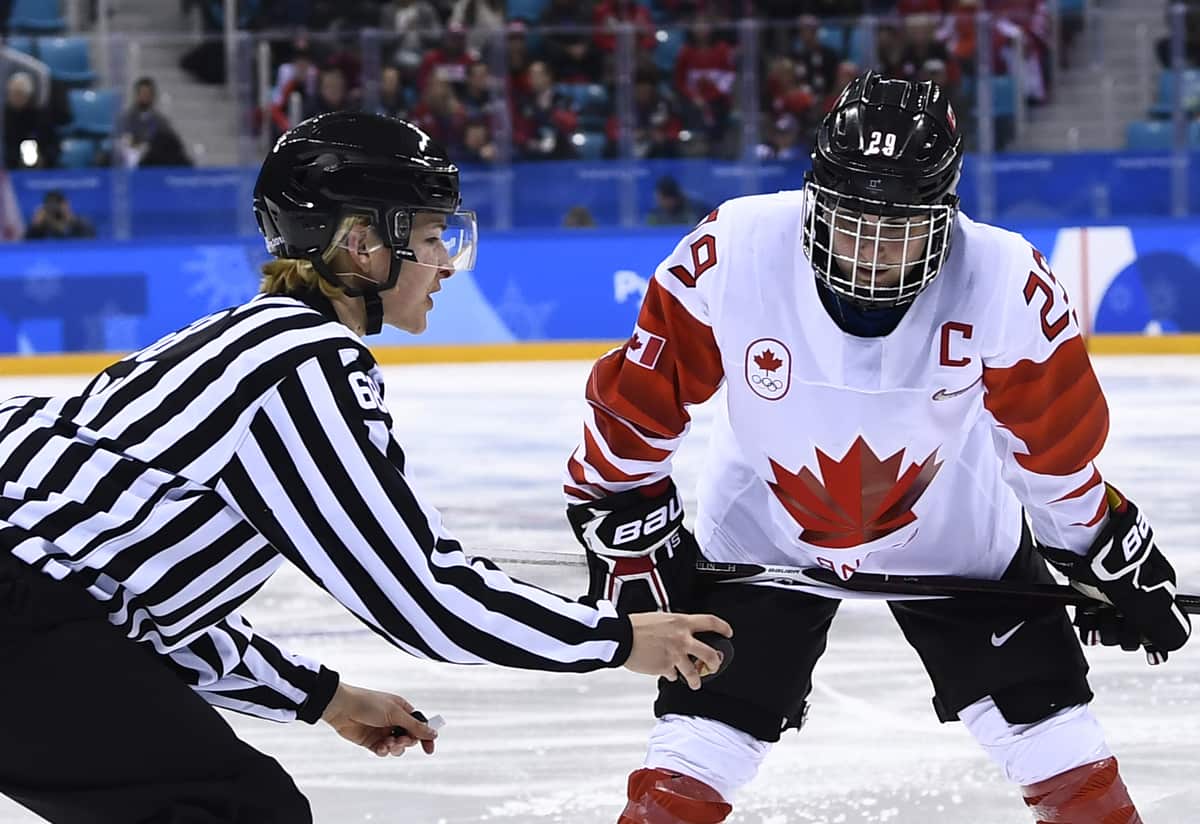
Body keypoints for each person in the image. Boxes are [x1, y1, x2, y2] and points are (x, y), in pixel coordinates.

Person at [0, 112, 731, 824]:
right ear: (360, 244)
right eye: (430, 236)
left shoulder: (232, 342)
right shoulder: (303, 365)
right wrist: (621, 638)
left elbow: (131, 614)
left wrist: (326, 697)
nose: (446, 262)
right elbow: (423, 592)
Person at [563, 71, 1191, 823]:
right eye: (851, 218)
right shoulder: (733, 247)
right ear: (812, 197)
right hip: (765, 535)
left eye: (900, 228)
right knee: (704, 737)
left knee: (1054, 734)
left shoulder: (1005, 277)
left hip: (955, 541)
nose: (871, 250)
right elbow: (636, 409)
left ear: (945, 215)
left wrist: (1098, 547)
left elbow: (1052, 450)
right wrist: (630, 532)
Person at [23, 189, 94, 239]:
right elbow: (26, 245)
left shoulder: (79, 223)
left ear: (65, 204)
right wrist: (35, 226)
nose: (54, 208)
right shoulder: (42, 225)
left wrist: (71, 219)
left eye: (57, 203)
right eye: (50, 204)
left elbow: (89, 241)